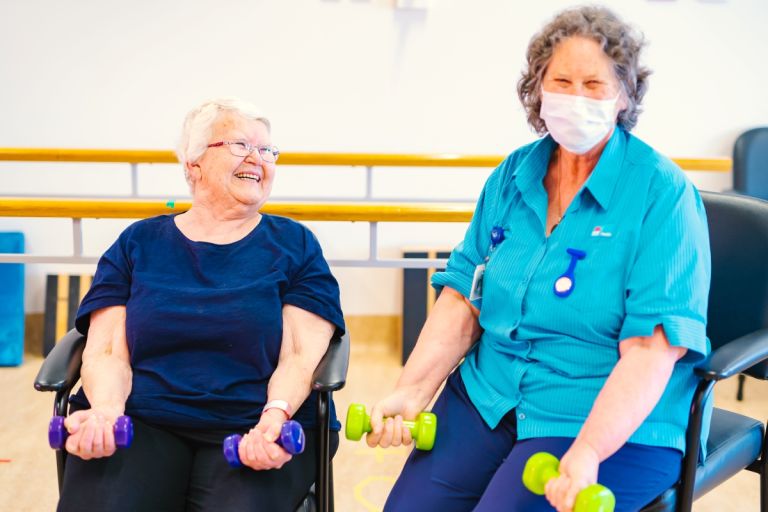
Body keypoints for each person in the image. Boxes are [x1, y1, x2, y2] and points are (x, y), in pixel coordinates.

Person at [367, 6, 711, 512]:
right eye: (561, 80)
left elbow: (651, 350)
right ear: (538, 89)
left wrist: (589, 450)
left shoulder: (663, 194)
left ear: (623, 94)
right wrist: (411, 391)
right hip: (491, 394)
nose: (575, 97)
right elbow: (464, 294)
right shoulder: (512, 175)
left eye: (594, 83)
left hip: (599, 412)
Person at [56, 98, 345, 512]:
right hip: (143, 416)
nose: (257, 159)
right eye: (241, 145)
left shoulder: (294, 245)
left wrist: (275, 419)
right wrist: (105, 413)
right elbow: (106, 351)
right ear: (193, 165)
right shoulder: (139, 243)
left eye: (267, 150)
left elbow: (300, 357)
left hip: (255, 419)